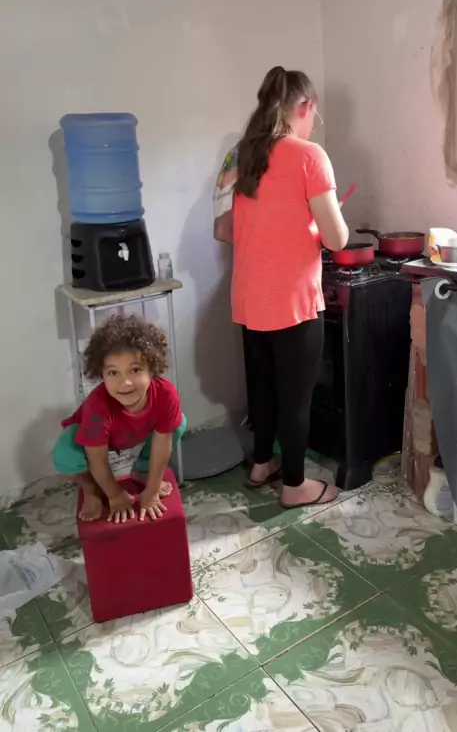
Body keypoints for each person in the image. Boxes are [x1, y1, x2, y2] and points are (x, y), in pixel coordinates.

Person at [214, 66, 349, 509]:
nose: (313, 125)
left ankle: (261, 463)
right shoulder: (309, 155)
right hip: (292, 301)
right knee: (296, 398)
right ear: (304, 106)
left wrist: (272, 230)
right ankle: (294, 485)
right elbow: (337, 239)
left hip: (248, 298)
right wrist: (309, 227)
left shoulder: (240, 155)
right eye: (314, 116)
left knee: (263, 389)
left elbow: (222, 230)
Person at [52, 314, 186, 523]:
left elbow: (163, 444)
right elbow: (97, 460)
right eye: (113, 373)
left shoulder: (166, 394)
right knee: (64, 452)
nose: (125, 383)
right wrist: (115, 495)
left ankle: (141, 471)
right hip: (93, 441)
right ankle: (91, 489)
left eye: (135, 370)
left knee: (179, 423)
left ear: (152, 369)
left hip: (137, 432)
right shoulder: (97, 407)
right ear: (102, 374)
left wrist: (151, 491)